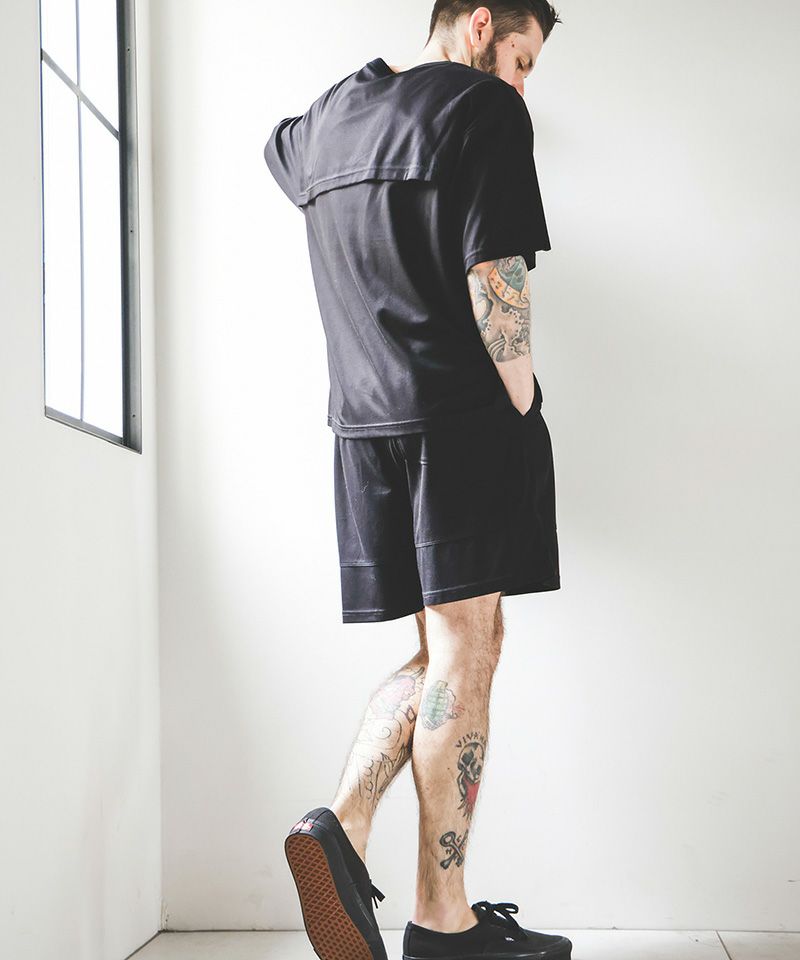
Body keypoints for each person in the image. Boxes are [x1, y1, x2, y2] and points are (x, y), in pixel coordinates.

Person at [264, 2, 569, 958]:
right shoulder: (485, 109)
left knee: (444, 651)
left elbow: (280, 151)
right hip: (461, 421)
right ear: (479, 25)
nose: (522, 84)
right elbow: (495, 275)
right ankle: (439, 919)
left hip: (362, 428)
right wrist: (524, 396)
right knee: (469, 651)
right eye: (521, 57)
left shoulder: (325, 119)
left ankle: (347, 832)